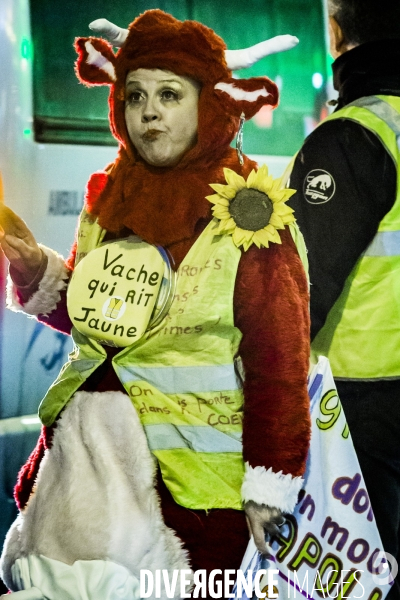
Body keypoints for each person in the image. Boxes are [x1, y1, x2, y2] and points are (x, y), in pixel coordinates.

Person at [0, 10, 310, 598]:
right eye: (136, 94)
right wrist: (36, 269)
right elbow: (99, 315)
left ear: (211, 106)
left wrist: (269, 491)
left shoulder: (251, 216)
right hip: (78, 478)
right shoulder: (108, 198)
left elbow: (280, 367)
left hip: (187, 501)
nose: (149, 112)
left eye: (169, 94)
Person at [289, 0, 400, 596]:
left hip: (357, 409)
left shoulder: (356, 134)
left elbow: (297, 289)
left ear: (337, 32)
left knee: (354, 577)